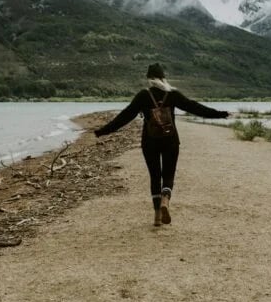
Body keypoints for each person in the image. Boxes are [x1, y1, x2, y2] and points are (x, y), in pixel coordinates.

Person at [94, 63, 230, 227]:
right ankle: (165, 199)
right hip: (170, 141)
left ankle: (157, 216)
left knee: (155, 177)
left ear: (149, 79)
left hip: (149, 141)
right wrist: (221, 114)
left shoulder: (143, 95)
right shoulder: (172, 94)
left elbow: (125, 116)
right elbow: (195, 108)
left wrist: (102, 131)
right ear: (163, 77)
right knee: (168, 175)